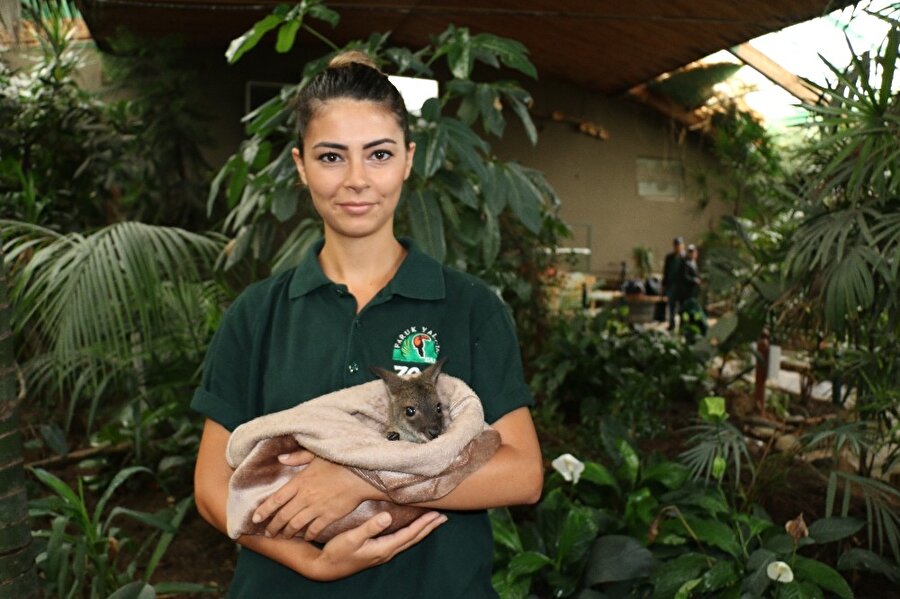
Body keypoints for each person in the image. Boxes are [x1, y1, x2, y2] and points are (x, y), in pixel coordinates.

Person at [192, 51, 543, 598]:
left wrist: (364, 479)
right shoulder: (257, 313)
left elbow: (522, 473)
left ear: (408, 160)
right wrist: (313, 562)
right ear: (301, 165)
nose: (356, 180)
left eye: (378, 154)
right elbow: (212, 484)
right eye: (331, 157)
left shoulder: (470, 306)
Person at [677, 244, 707, 340]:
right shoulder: (685, 263)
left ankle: (692, 329)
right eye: (690, 252)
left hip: (693, 293)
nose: (692, 254)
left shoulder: (694, 263)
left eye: (693, 252)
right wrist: (694, 280)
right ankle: (682, 330)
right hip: (686, 293)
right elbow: (684, 276)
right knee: (685, 312)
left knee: (692, 312)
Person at [662, 236, 685, 330]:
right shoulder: (669, 257)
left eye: (679, 245)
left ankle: (682, 325)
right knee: (671, 306)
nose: (677, 247)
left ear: (682, 246)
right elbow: (666, 271)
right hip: (671, 285)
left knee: (682, 306)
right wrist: (664, 284)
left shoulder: (685, 258)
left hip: (682, 286)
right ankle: (672, 324)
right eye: (676, 245)